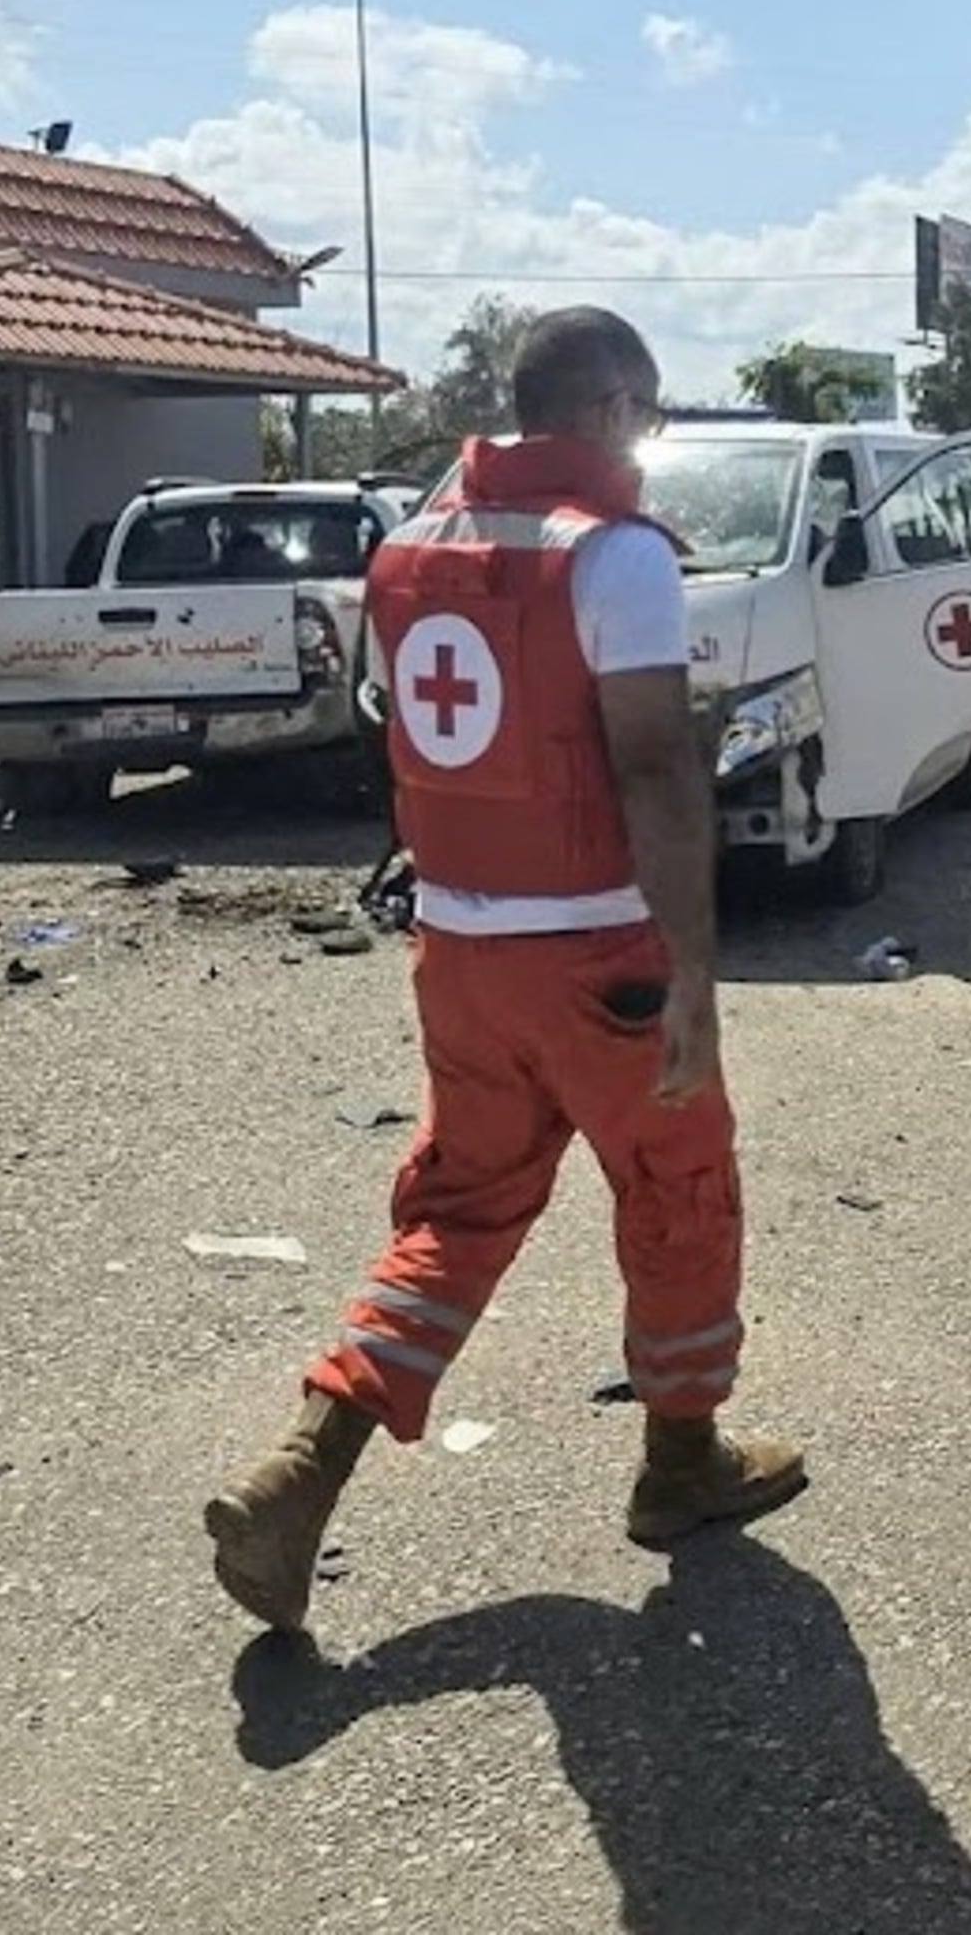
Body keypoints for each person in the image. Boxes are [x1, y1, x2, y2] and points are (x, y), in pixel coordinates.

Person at [205, 307, 804, 1635]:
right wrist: (696, 969)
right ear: (605, 411)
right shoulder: (618, 558)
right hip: (601, 960)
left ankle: (300, 1473)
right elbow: (651, 766)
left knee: (459, 1212)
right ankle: (681, 1464)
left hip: (460, 947)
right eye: (644, 416)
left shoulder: (408, 549)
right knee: (678, 1189)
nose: (645, 442)